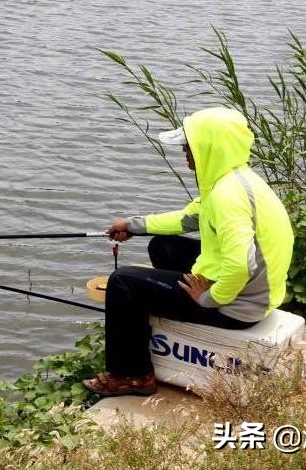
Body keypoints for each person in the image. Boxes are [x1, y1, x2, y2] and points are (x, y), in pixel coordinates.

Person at [83, 107, 293, 397]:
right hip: (257, 290)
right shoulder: (234, 180)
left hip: (239, 306)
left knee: (123, 282)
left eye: (189, 145)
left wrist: (210, 298)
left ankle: (132, 375)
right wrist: (133, 225)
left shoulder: (227, 197)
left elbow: (240, 265)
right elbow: (185, 219)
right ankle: (163, 312)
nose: (184, 151)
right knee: (162, 246)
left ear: (210, 147)